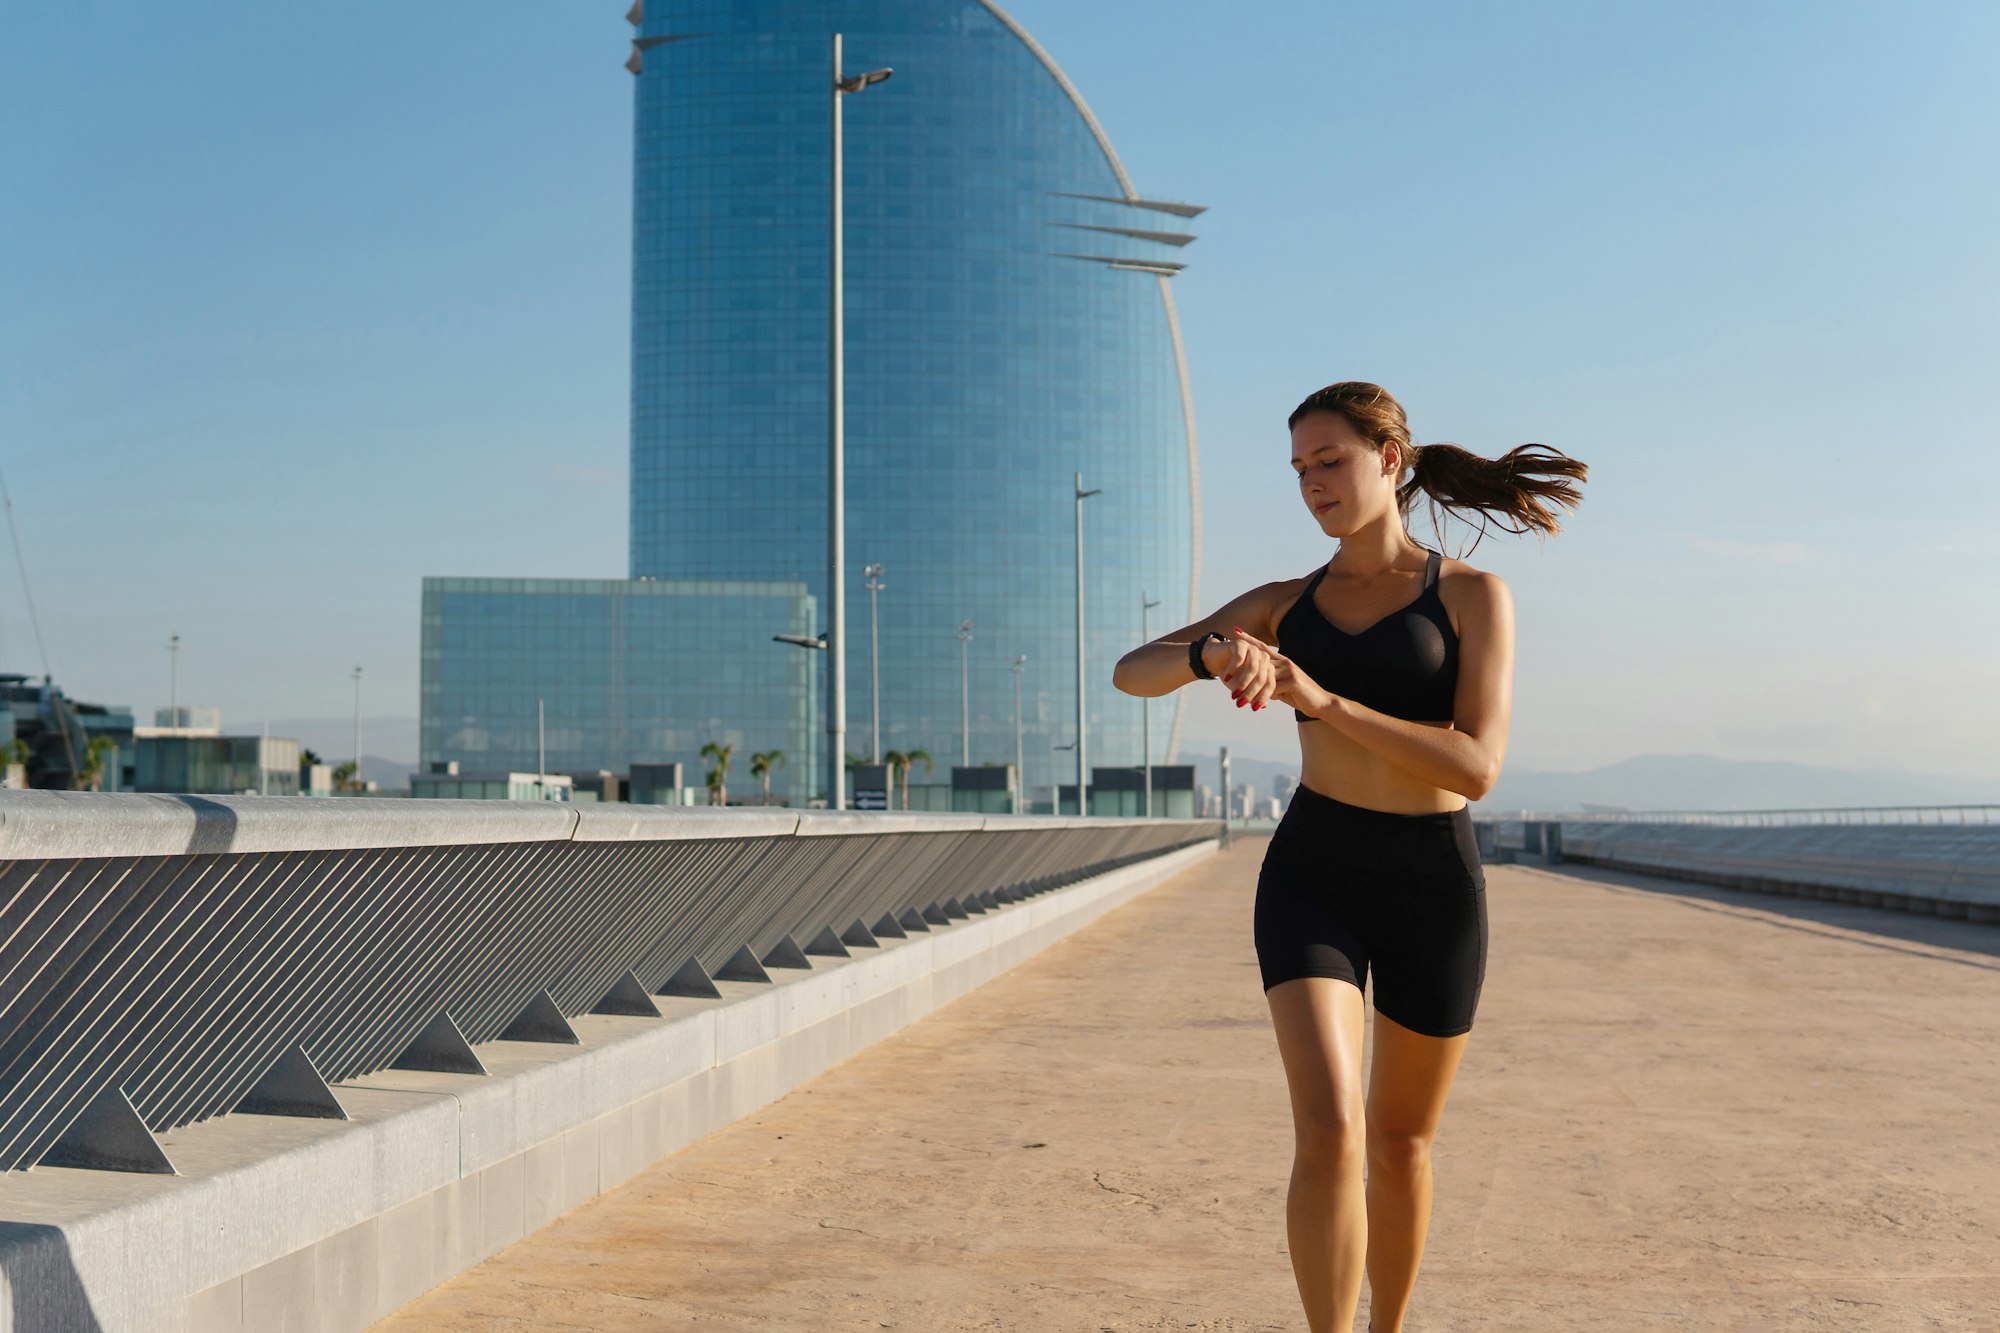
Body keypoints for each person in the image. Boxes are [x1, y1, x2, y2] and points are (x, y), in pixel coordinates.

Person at [1111, 381, 1587, 1332]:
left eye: (1329, 460)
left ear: (1390, 459)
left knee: (1401, 1142)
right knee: (1330, 1129)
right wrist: (1213, 653)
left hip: (1432, 882)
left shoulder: (1471, 598)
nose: (1312, 483)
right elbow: (1134, 672)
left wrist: (1319, 699)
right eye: (1298, 469)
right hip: (1313, 871)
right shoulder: (1286, 603)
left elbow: (1477, 763)